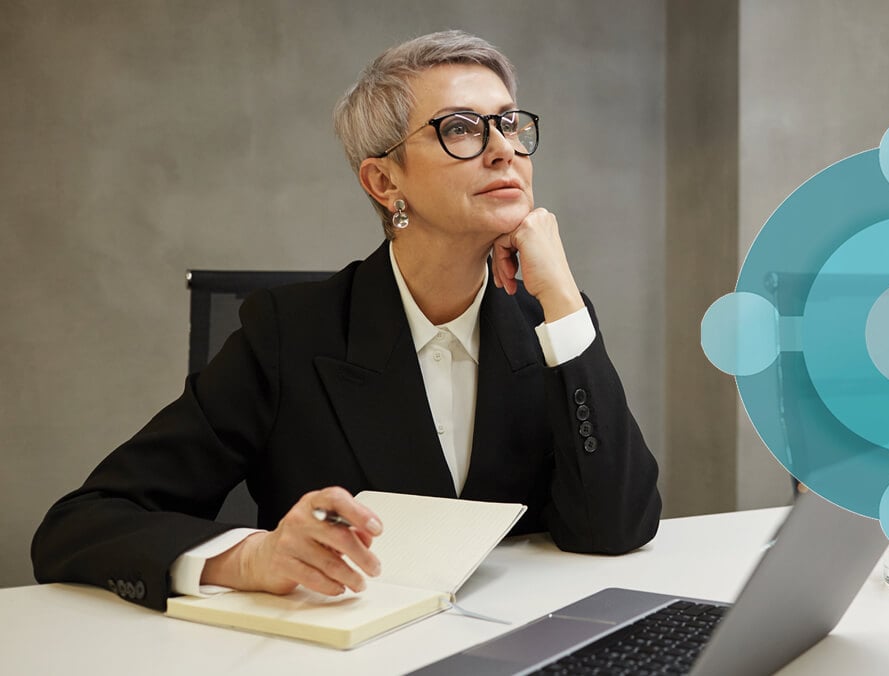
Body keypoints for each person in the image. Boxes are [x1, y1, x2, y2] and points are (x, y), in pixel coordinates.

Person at [31, 30, 661, 611]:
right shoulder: (286, 334)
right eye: (463, 129)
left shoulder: (549, 322)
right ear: (385, 181)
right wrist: (252, 556)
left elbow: (615, 527)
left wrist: (565, 300)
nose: (504, 149)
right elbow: (83, 523)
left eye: (509, 124)